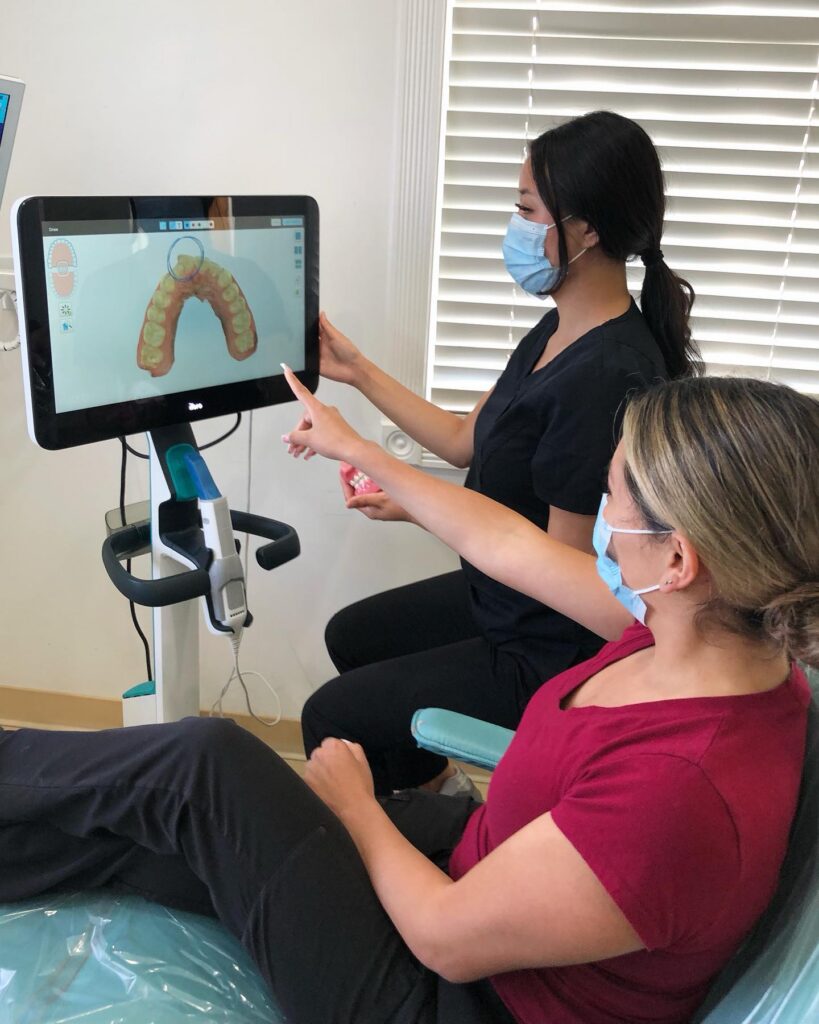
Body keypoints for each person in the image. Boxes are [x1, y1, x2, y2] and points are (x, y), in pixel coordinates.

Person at [2, 375, 815, 1024]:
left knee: (200, 767)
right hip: (487, 867)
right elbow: (504, 542)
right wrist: (355, 448)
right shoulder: (702, 628)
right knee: (166, 833)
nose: (595, 520)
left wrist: (355, 807)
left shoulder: (683, 788)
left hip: (446, 998)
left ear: (677, 557)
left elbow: (445, 941)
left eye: (610, 501)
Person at [296, 110, 702, 796]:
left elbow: (559, 570)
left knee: (331, 715)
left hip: (545, 644)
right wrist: (358, 371)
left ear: (585, 229)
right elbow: (465, 440)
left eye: (524, 209)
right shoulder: (559, 328)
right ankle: (433, 807)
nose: (513, 227)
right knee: (352, 635)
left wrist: (365, 451)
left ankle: (405, 852)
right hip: (507, 595)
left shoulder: (607, 375)